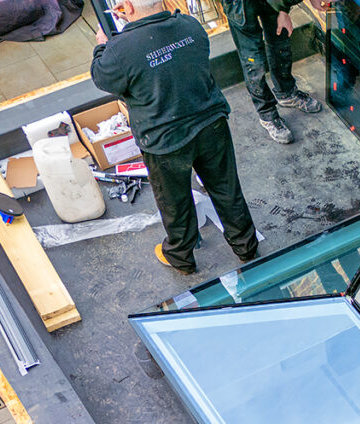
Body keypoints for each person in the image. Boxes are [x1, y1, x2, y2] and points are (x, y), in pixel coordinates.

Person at [91, 0, 258, 273]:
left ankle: (180, 256)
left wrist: (102, 45)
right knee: (227, 190)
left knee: (175, 202)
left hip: (165, 141)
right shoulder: (190, 25)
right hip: (210, 123)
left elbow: (103, 78)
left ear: (128, 8)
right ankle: (246, 247)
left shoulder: (120, 50)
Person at [219, 0, 321, 144]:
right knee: (253, 62)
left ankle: (287, 93)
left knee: (280, 45)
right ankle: (267, 114)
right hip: (239, 5)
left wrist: (282, 10)